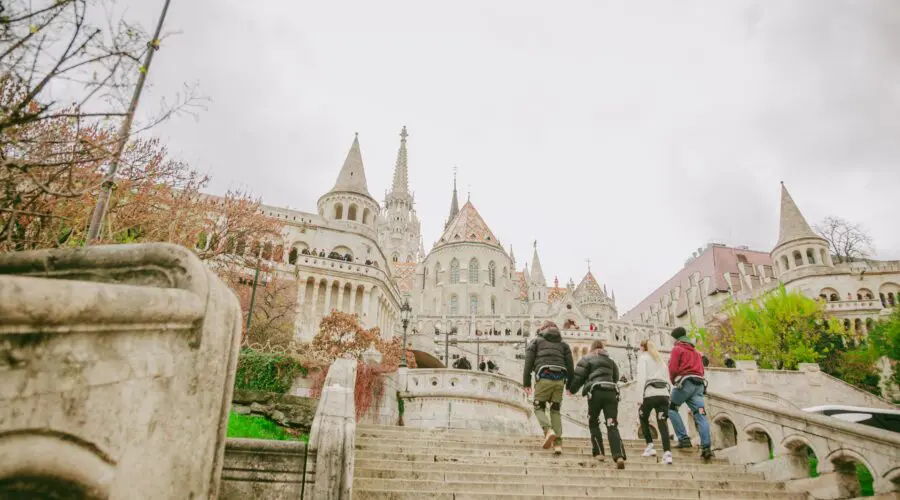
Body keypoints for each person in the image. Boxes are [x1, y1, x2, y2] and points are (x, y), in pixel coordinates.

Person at [568, 340, 626, 469]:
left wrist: (571, 390)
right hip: (611, 393)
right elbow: (615, 377)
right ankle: (619, 455)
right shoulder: (611, 362)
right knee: (612, 423)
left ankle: (599, 452)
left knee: (593, 421)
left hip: (596, 392)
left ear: (592, 348)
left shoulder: (587, 358)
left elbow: (578, 376)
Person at [523, 321, 574, 455]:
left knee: (538, 407)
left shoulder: (536, 342)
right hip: (559, 380)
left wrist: (526, 383)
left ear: (542, 329)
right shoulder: (563, 344)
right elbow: (570, 366)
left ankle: (548, 430)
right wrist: (570, 385)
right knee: (555, 410)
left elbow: (528, 363)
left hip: (544, 377)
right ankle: (558, 444)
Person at [667, 327, 713, 459]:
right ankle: (706, 447)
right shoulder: (696, 351)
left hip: (685, 384)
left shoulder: (677, 348)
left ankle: (683, 439)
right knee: (701, 414)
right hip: (698, 386)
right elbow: (702, 369)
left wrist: (673, 381)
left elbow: (673, 368)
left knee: (671, 408)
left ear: (675, 338)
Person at [637, 339, 673, 465]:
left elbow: (641, 378)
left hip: (650, 393)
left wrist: (639, 398)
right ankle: (667, 453)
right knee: (662, 422)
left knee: (643, 417)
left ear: (643, 347)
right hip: (663, 394)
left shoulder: (643, 358)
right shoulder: (660, 359)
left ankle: (650, 446)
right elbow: (668, 378)